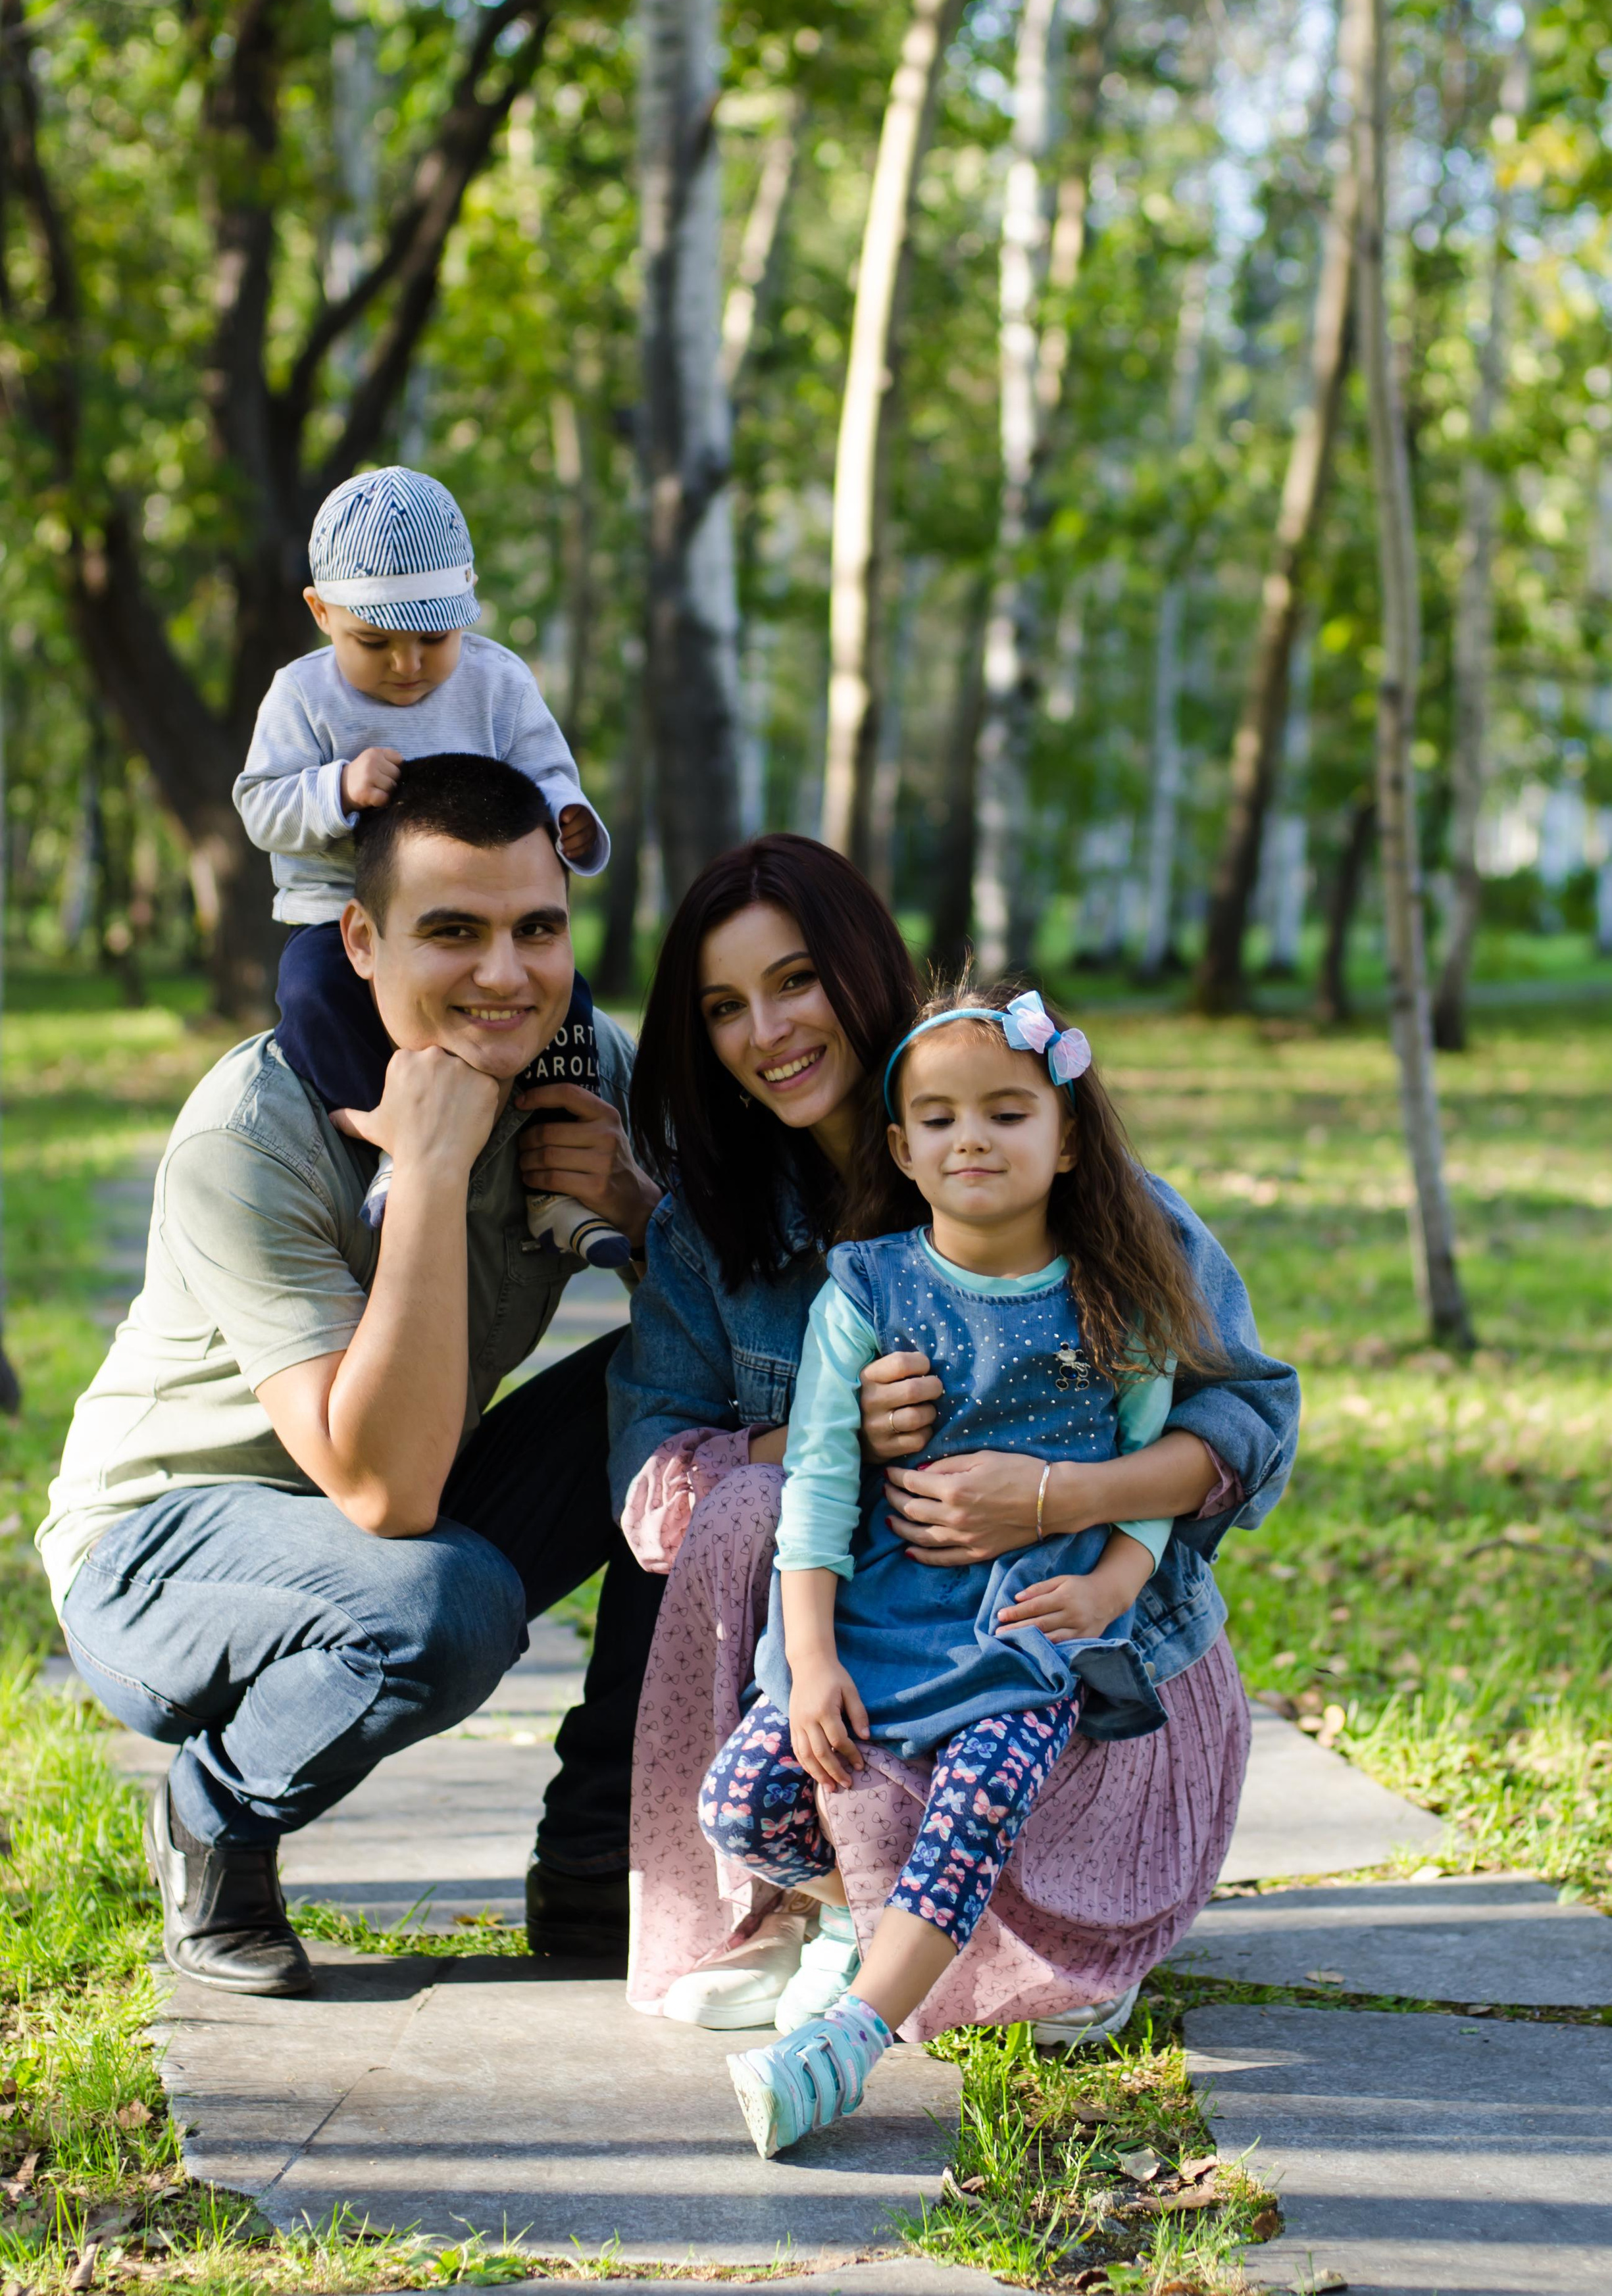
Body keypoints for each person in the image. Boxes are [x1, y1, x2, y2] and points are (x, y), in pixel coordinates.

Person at [607, 836, 1298, 2051]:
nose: (767, 1030)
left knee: (1027, 1989)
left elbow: (1251, 1418)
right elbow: (653, 1481)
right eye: (725, 1007)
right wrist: (818, 1437)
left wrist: (1056, 1494)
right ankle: (805, 1900)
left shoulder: (1047, 1171)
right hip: (870, 1657)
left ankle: (1031, 1929)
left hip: (1066, 1642)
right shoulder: (710, 1231)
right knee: (742, 1509)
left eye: (797, 980)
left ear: (864, 970)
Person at [38, 756, 663, 1995]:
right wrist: (429, 1175)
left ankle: (598, 1849)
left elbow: (737, 1326)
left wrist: (647, 1222)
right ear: (363, 941)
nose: (506, 974)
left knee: (698, 1414)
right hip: (160, 1554)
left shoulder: (582, 1078)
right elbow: (382, 1492)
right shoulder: (252, 1130)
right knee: (442, 1605)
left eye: (538, 928)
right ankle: (214, 1817)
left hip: (389, 1499)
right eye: (454, 932)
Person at [710, 978, 1228, 2155]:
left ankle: (846, 2045)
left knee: (975, 1803)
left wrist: (1106, 1589)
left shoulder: (1117, 1292)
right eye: (939, 1119)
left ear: (1067, 1139)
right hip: (886, 1612)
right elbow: (821, 1489)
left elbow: (1150, 1472)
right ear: (901, 1147)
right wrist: (809, 1655)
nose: (972, 1139)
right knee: (742, 1801)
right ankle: (874, 1922)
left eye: (1007, 1112)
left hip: (1023, 1629)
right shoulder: (868, 1292)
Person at [233, 464, 624, 1266]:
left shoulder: (497, 680)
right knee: (313, 996)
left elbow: (547, 772)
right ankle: (386, 1142)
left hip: (482, 915)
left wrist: (569, 819)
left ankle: (553, 1183)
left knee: (568, 1008)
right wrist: (334, 788)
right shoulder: (303, 696)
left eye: (433, 640)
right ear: (321, 611)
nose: (407, 665)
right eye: (373, 643)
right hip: (341, 913)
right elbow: (259, 804)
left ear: (468, 611)